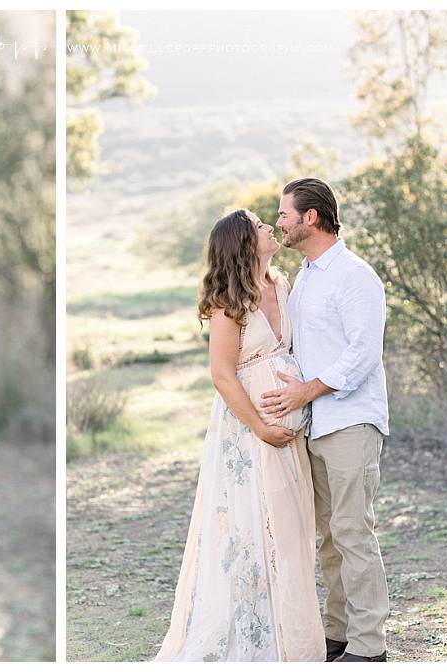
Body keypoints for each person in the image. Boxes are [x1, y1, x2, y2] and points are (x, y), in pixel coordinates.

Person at [155, 209, 326, 662]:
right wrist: (260, 425)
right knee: (251, 526)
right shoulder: (231, 300)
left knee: (290, 531)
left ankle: (293, 638)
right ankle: (255, 639)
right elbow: (222, 374)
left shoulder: (283, 286)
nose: (270, 226)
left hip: (289, 433)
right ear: (243, 243)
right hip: (247, 432)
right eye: (258, 225)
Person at [261, 177, 389, 662]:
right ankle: (338, 633)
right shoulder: (308, 275)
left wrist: (304, 392)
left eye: (284, 215)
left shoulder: (355, 276)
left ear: (310, 218)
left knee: (354, 531)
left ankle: (370, 645)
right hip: (313, 424)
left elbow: (362, 354)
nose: (280, 223)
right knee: (330, 538)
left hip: (351, 422)